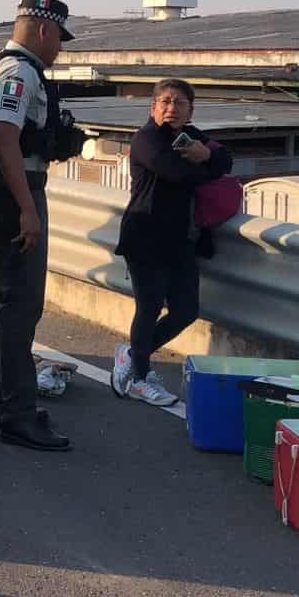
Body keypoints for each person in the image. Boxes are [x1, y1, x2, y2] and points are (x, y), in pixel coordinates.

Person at [0, 0, 77, 451]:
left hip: (0, 190)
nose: (59, 51)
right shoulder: (19, 71)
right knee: (21, 305)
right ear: (44, 31)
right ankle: (17, 415)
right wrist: (27, 208)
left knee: (3, 301)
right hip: (14, 193)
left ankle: (4, 404)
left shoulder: (7, 66)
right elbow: (6, 138)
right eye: (58, 41)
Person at [110, 78, 233, 405]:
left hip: (181, 239)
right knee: (148, 307)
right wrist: (207, 161)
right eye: (165, 101)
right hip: (145, 236)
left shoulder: (191, 137)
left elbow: (226, 160)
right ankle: (138, 376)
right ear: (153, 107)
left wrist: (205, 153)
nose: (171, 107)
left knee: (185, 310)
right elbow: (178, 173)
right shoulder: (146, 139)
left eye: (179, 102)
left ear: (190, 110)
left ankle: (134, 354)